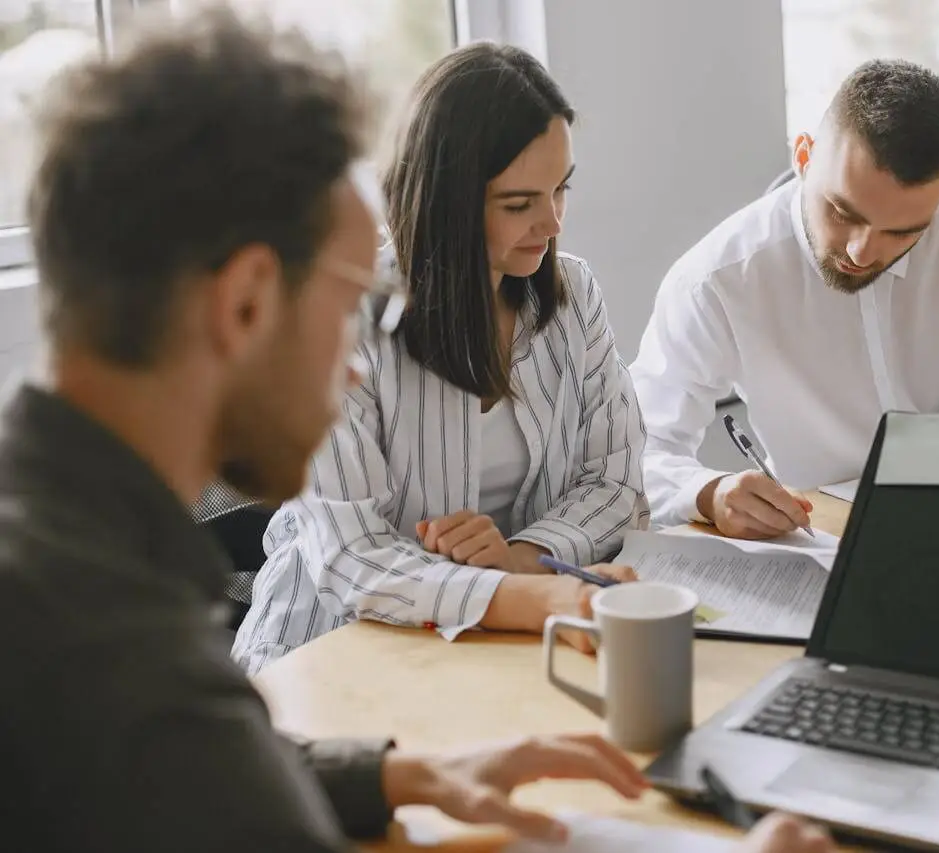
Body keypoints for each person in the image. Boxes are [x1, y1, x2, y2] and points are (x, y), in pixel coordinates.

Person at [0, 8, 832, 853]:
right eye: (350, 300)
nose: (359, 362)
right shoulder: (101, 639)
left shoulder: (77, 559)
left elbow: (184, 783)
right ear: (247, 302)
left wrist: (397, 775)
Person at [232, 42, 648, 674]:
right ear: (446, 198)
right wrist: (526, 595)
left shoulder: (573, 297)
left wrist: (523, 558)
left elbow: (616, 483)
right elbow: (355, 557)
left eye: (561, 189)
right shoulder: (346, 317)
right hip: (329, 653)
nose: (553, 222)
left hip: (497, 647)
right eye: (519, 204)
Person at [631, 59, 939, 539]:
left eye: (902, 231)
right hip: (818, 532)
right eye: (842, 211)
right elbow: (635, 453)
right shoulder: (718, 278)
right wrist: (710, 492)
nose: (862, 250)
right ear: (805, 157)